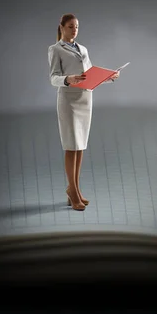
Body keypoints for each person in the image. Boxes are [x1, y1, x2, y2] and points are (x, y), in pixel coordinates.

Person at [48, 13, 120, 211]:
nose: (74, 30)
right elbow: (53, 77)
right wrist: (67, 79)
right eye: (71, 26)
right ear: (62, 27)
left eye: (77, 27)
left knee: (80, 146)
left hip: (85, 100)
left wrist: (108, 77)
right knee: (71, 146)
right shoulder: (55, 49)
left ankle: (76, 190)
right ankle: (72, 191)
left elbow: (90, 75)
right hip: (69, 101)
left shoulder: (83, 49)